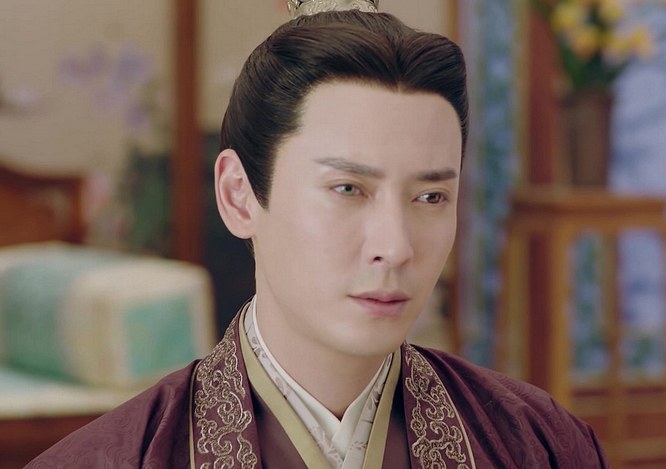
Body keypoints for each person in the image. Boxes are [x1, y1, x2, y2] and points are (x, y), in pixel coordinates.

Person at [28, 1, 608, 467]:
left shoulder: (539, 445)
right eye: (348, 189)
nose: (395, 247)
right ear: (238, 195)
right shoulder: (111, 459)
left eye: (431, 197)